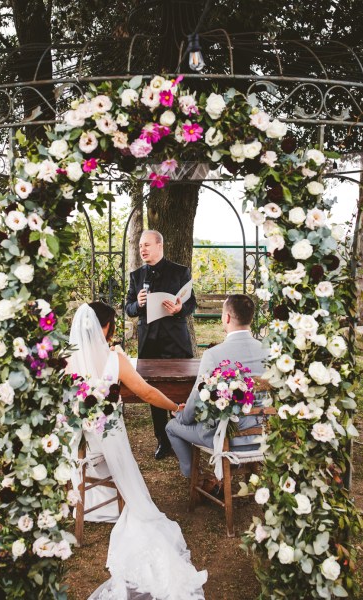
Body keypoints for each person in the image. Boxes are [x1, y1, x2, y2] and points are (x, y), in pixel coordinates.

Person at [68, 302, 207, 600]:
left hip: (80, 446)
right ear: (105, 327)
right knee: (142, 507)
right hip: (109, 441)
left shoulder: (67, 361)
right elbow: (145, 392)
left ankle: (92, 499)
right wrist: (174, 406)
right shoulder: (114, 359)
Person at [166, 294, 268, 480]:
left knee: (172, 426)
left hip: (227, 437)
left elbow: (197, 397)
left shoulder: (214, 355)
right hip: (263, 435)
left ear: (227, 317)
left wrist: (182, 417)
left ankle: (197, 477)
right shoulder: (268, 351)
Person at [125, 230, 197, 460]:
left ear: (159, 245)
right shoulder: (136, 276)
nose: (142, 249)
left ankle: (183, 436)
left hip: (176, 340)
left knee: (182, 390)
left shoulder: (179, 271)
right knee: (153, 390)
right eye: (139, 246)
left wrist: (179, 309)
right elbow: (127, 309)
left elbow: (191, 303)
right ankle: (162, 440)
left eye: (146, 245)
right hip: (149, 343)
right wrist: (137, 303)